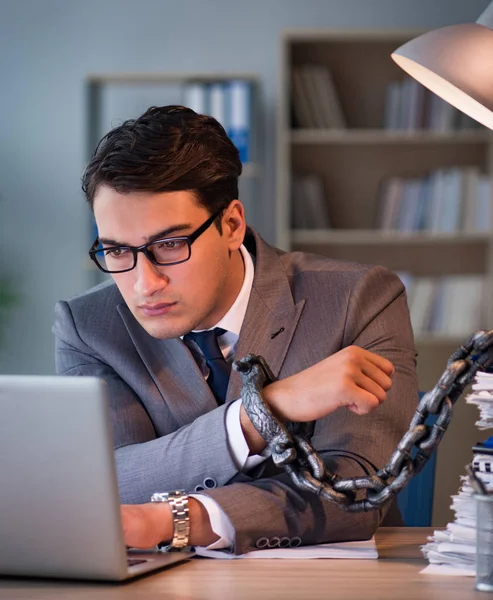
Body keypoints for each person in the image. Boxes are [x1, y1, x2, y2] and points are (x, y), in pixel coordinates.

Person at [53, 105, 418, 555]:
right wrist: (261, 413)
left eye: (169, 245)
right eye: (115, 251)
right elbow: (108, 484)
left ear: (231, 224)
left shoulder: (359, 298)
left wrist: (176, 519)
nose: (144, 283)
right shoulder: (88, 327)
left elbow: (359, 491)